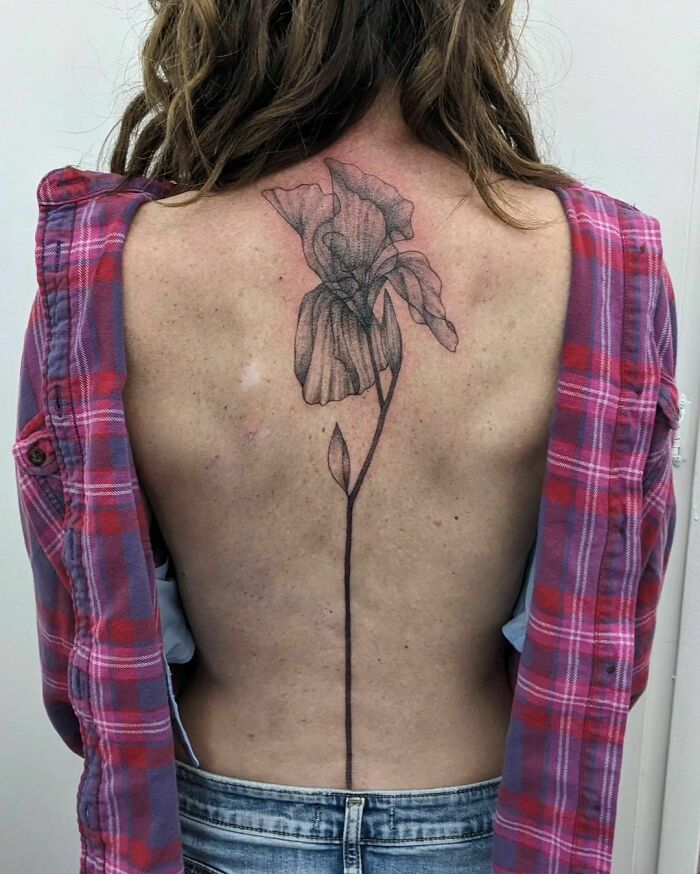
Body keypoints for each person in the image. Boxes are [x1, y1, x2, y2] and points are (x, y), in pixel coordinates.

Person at [12, 2, 680, 873]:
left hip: (218, 825)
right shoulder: (601, 264)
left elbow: (79, 661)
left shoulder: (108, 270)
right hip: (476, 831)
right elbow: (610, 644)